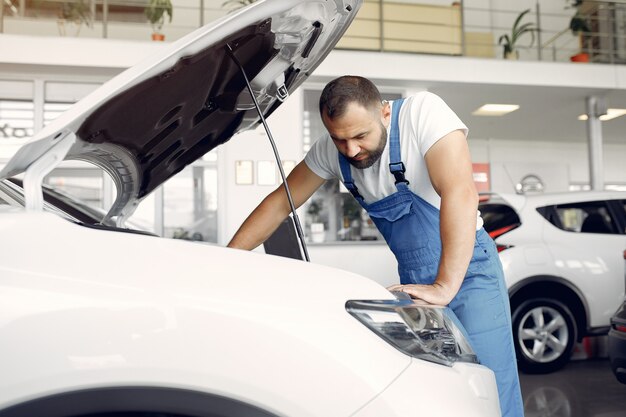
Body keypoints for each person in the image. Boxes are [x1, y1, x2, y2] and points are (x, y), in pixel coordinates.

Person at [228, 75, 524, 416]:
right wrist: (228, 259)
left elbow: (459, 191)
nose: (351, 150)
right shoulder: (330, 152)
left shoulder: (422, 113)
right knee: (445, 391)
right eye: (340, 139)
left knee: (490, 384)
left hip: (469, 271)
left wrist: (444, 285)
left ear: (384, 113)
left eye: (360, 136)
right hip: (416, 283)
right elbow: (279, 203)